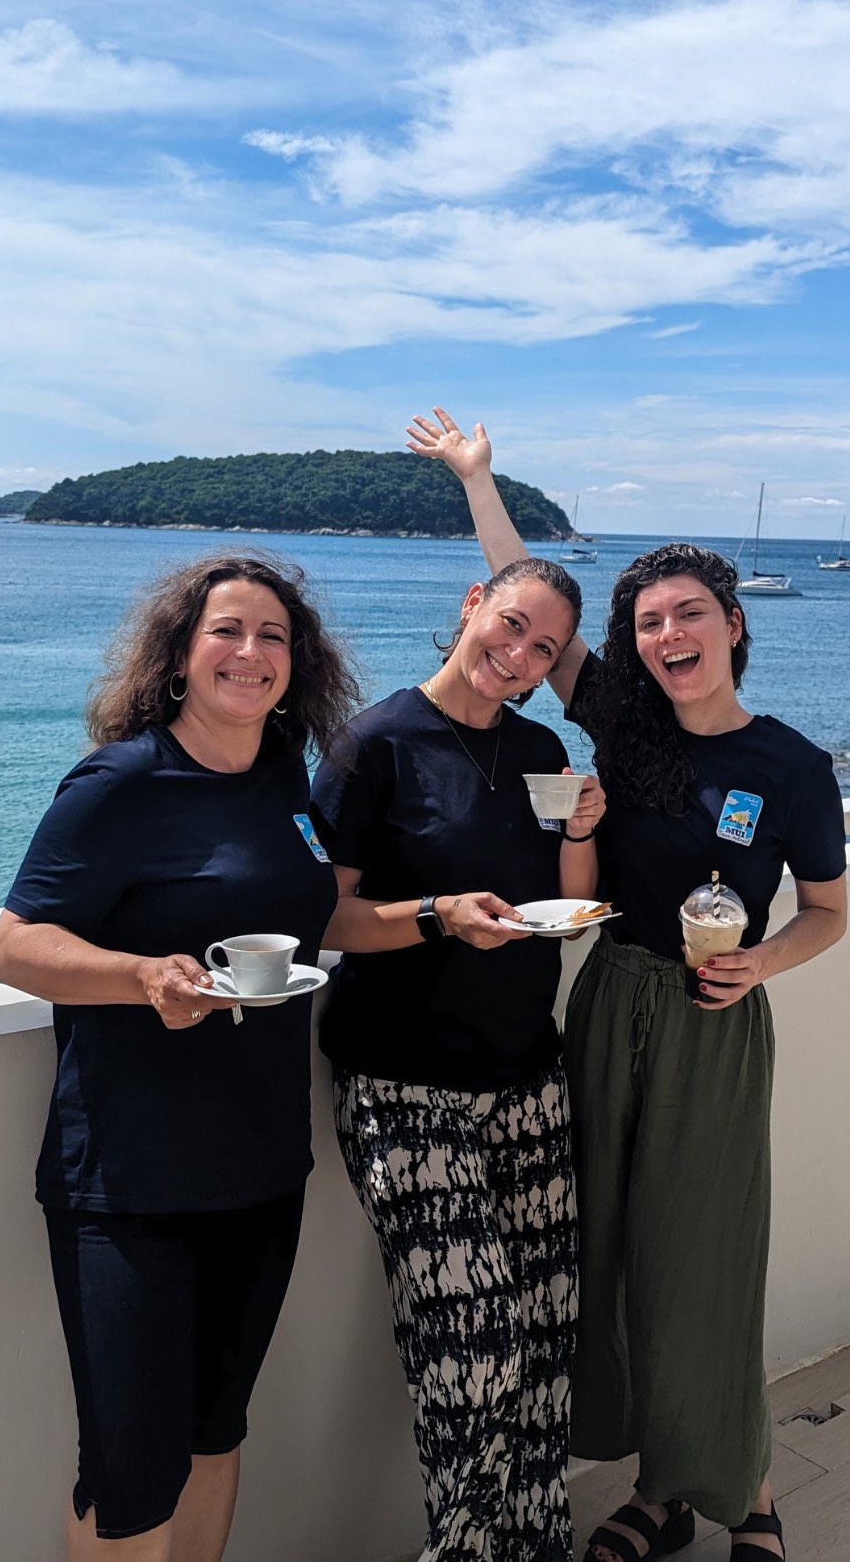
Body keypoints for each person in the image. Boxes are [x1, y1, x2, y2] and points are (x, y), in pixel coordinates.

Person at [409, 411, 850, 1562]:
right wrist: (477, 479)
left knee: (702, 1257)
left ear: (733, 626)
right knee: (606, 1253)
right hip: (610, 1000)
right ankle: (660, 1493)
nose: (666, 635)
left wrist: (764, 960)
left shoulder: (792, 765)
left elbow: (830, 912)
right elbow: (525, 612)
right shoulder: (622, 722)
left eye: (688, 614)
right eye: (648, 621)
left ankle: (744, 1490)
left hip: (715, 1020)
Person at [0, 554, 360, 1562]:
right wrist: (142, 977)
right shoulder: (121, 783)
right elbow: (14, 947)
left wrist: (442, 914)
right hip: (130, 1182)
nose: (251, 652)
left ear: (297, 660)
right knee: (129, 1467)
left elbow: (320, 917)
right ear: (182, 656)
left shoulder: (284, 779)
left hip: (262, 1166)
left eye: (272, 635)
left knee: (214, 1432)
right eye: (226, 632)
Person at [309, 556, 606, 1561]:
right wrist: (435, 916)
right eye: (510, 625)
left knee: (544, 1345)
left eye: (543, 648)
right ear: (471, 604)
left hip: (527, 1076)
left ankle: (536, 1544)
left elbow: (567, 902)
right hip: (401, 1085)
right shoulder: (371, 745)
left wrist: (581, 831)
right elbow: (326, 920)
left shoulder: (541, 746)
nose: (517, 656)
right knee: (468, 1359)